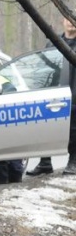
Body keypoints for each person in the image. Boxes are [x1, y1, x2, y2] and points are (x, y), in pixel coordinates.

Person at [27, 17, 76, 176]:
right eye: (68, 19)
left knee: (73, 130)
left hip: (74, 95)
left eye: (74, 19)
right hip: (53, 95)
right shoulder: (53, 44)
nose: (71, 22)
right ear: (63, 21)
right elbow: (44, 70)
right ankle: (45, 162)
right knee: (46, 127)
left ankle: (73, 161)